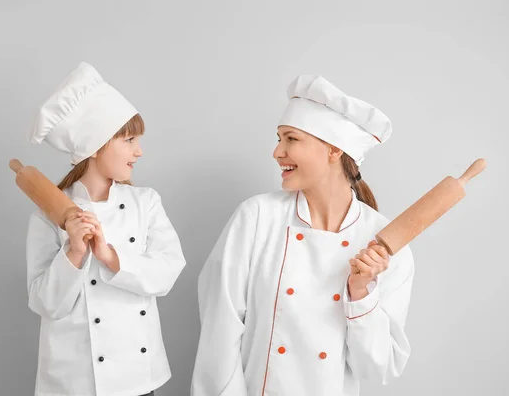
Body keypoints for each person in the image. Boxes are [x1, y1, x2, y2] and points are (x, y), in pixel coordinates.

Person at [191, 74, 415, 396]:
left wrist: (361, 292)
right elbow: (220, 328)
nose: (277, 151)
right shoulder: (257, 217)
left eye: (291, 139)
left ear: (334, 150)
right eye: (279, 138)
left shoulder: (384, 245)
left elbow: (377, 369)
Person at [26, 62, 186, 396]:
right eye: (129, 140)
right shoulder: (49, 214)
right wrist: (74, 253)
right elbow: (45, 303)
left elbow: (167, 272)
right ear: (96, 145)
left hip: (137, 378)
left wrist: (110, 255)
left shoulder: (146, 203)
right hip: (74, 381)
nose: (138, 151)